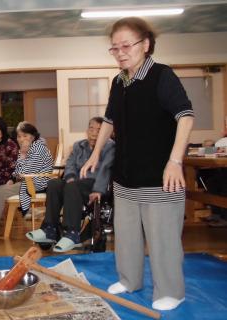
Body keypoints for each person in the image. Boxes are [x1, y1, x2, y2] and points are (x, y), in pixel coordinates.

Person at [80, 17, 194, 311]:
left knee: (163, 239)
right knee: (127, 234)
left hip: (159, 175)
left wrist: (174, 161)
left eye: (126, 45)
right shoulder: (119, 81)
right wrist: (95, 154)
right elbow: (109, 120)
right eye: (114, 48)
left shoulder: (161, 75)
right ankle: (130, 280)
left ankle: (172, 290)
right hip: (126, 174)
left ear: (145, 44)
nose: (120, 52)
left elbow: (186, 116)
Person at [26, 117, 114, 252]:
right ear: (87, 130)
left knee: (72, 186)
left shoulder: (109, 147)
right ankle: (49, 228)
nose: (94, 133)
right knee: (54, 183)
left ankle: (72, 233)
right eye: (91, 128)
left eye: (99, 130)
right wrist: (70, 177)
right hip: (75, 184)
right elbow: (70, 164)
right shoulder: (79, 146)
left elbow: (105, 170)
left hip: (95, 184)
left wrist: (98, 190)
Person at [0, 121, 53, 243]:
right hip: (25, 182)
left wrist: (23, 155)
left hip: (36, 184)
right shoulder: (25, 149)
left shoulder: (39, 148)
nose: (21, 139)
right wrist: (12, 179)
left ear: (33, 136)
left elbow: (28, 171)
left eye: (25, 136)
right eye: (19, 136)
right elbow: (17, 170)